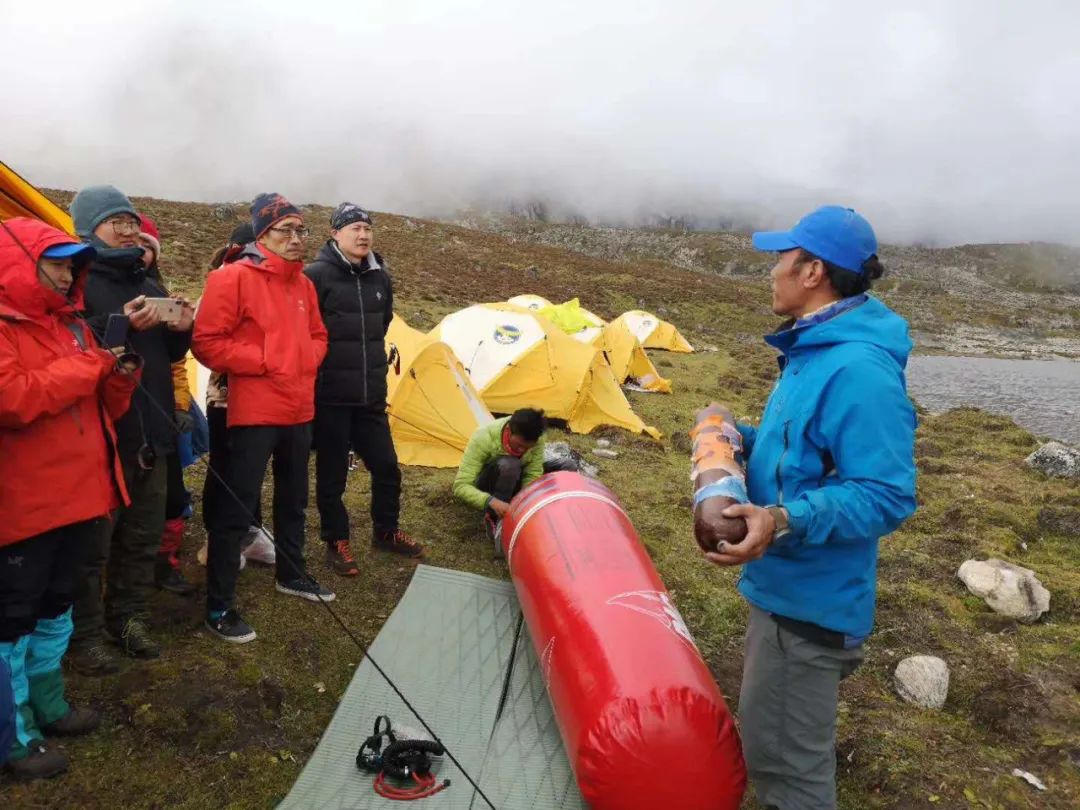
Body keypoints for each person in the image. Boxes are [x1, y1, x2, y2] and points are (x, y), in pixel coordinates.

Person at [703, 206, 917, 809]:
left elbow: (886, 494)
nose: (771, 271)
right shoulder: (813, 352)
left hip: (809, 611)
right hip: (784, 593)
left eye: (780, 258)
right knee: (777, 754)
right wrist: (731, 437)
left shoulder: (858, 370)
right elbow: (802, 453)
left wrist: (781, 519)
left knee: (788, 776)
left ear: (813, 271)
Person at [0, 217, 139, 780]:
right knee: (11, 621)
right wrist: (93, 365)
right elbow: (13, 399)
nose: (66, 275)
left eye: (71, 264)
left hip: (80, 497)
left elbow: (104, 411)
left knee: (57, 606)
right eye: (55, 263)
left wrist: (121, 377)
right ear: (17, 266)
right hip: (24, 504)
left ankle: (48, 705)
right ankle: (13, 736)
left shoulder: (73, 327)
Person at [193, 193, 332, 644]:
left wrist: (306, 359)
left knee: (293, 499)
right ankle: (218, 606)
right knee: (236, 507)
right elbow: (208, 342)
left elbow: (318, 335)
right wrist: (268, 358)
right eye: (285, 230)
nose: (296, 239)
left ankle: (291, 573)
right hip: (252, 410)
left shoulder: (304, 285)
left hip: (298, 407)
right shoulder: (232, 278)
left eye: (300, 229)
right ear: (262, 234)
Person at [68, 186, 194, 673]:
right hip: (106, 435)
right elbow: (77, 342)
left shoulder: (149, 280)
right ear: (88, 227)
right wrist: (122, 324)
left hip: (154, 429)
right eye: (116, 221)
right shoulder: (78, 280)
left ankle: (130, 619)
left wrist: (179, 327)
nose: (128, 228)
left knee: (142, 535)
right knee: (96, 544)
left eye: (131, 220)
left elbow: (171, 357)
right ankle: (87, 637)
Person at [304, 203, 422, 576]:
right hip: (331, 396)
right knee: (332, 475)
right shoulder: (315, 276)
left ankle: (385, 532)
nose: (363, 234)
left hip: (371, 395)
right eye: (354, 227)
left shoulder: (379, 278)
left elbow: (382, 325)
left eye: (367, 228)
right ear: (335, 233)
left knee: (387, 467)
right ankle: (336, 541)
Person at [195, 222, 275, 570]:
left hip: (262, 399)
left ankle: (250, 533)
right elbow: (209, 344)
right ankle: (216, 539)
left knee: (251, 470)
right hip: (226, 399)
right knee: (225, 469)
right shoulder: (221, 287)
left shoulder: (271, 290)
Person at [136, 215, 197, 596]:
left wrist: (179, 406)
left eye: (147, 248)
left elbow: (176, 363)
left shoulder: (159, 294)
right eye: (135, 244)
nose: (140, 253)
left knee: (172, 492)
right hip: (125, 412)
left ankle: (165, 561)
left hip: (161, 410)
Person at [452, 409, 547, 549]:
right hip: (488, 485)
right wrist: (490, 501)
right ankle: (494, 517)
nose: (521, 451)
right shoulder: (484, 436)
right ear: (509, 430)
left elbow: (533, 473)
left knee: (565, 465)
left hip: (515, 477)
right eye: (519, 445)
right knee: (510, 465)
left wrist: (527, 500)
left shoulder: (537, 438)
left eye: (527, 448)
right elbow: (460, 486)